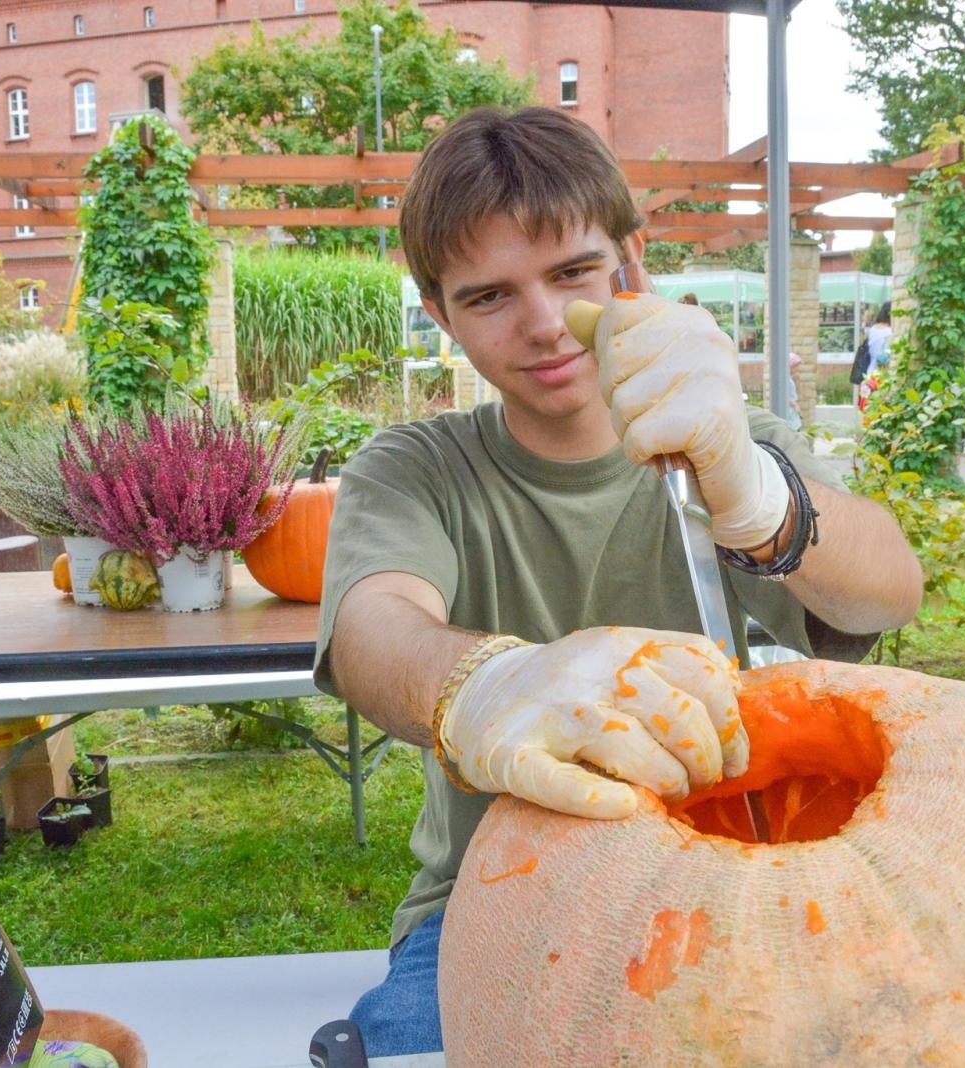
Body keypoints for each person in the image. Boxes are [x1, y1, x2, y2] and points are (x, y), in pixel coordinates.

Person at [314, 106, 923, 1057]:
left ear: (630, 263)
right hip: (500, 896)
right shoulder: (415, 468)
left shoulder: (741, 443)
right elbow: (371, 631)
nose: (546, 325)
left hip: (756, 883)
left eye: (571, 273)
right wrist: (490, 683)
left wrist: (763, 503)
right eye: (489, 297)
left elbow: (888, 592)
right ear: (439, 314)